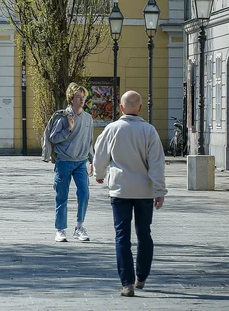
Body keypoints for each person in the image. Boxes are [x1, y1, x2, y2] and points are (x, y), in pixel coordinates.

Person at [94, 91, 167, 297]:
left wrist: (100, 174)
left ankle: (127, 283)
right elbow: (157, 163)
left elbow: (100, 153)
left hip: (120, 189)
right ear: (141, 108)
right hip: (144, 191)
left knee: (122, 235)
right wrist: (159, 190)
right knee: (144, 234)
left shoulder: (112, 129)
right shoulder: (149, 131)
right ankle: (142, 276)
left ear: (121, 107)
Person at [49, 82, 94, 243]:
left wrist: (92, 160)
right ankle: (60, 230)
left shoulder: (88, 118)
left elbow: (89, 141)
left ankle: (79, 227)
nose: (82, 100)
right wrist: (68, 129)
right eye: (78, 97)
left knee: (84, 194)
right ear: (71, 99)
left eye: (84, 97)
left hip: (81, 162)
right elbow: (53, 138)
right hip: (64, 161)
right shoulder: (63, 117)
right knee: (62, 196)